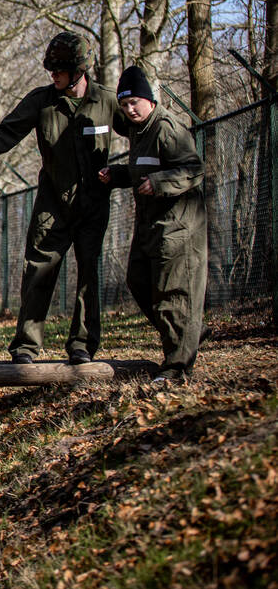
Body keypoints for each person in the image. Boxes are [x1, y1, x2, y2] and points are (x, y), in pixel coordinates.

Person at [0, 31, 127, 365]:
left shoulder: (107, 101)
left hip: (93, 203)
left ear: (80, 70)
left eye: (59, 69)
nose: (53, 75)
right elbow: (4, 134)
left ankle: (82, 346)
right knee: (38, 272)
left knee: (89, 273)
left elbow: (141, 129)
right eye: (50, 69)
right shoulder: (42, 101)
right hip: (52, 204)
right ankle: (26, 347)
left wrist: (131, 172)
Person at [99, 66, 206, 385]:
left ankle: (177, 368)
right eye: (125, 105)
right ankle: (189, 334)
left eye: (135, 103)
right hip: (149, 225)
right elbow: (139, 171)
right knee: (138, 281)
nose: (130, 110)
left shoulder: (167, 128)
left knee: (171, 295)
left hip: (178, 226)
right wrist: (116, 176)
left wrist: (160, 183)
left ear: (149, 99)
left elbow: (194, 170)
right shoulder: (137, 130)